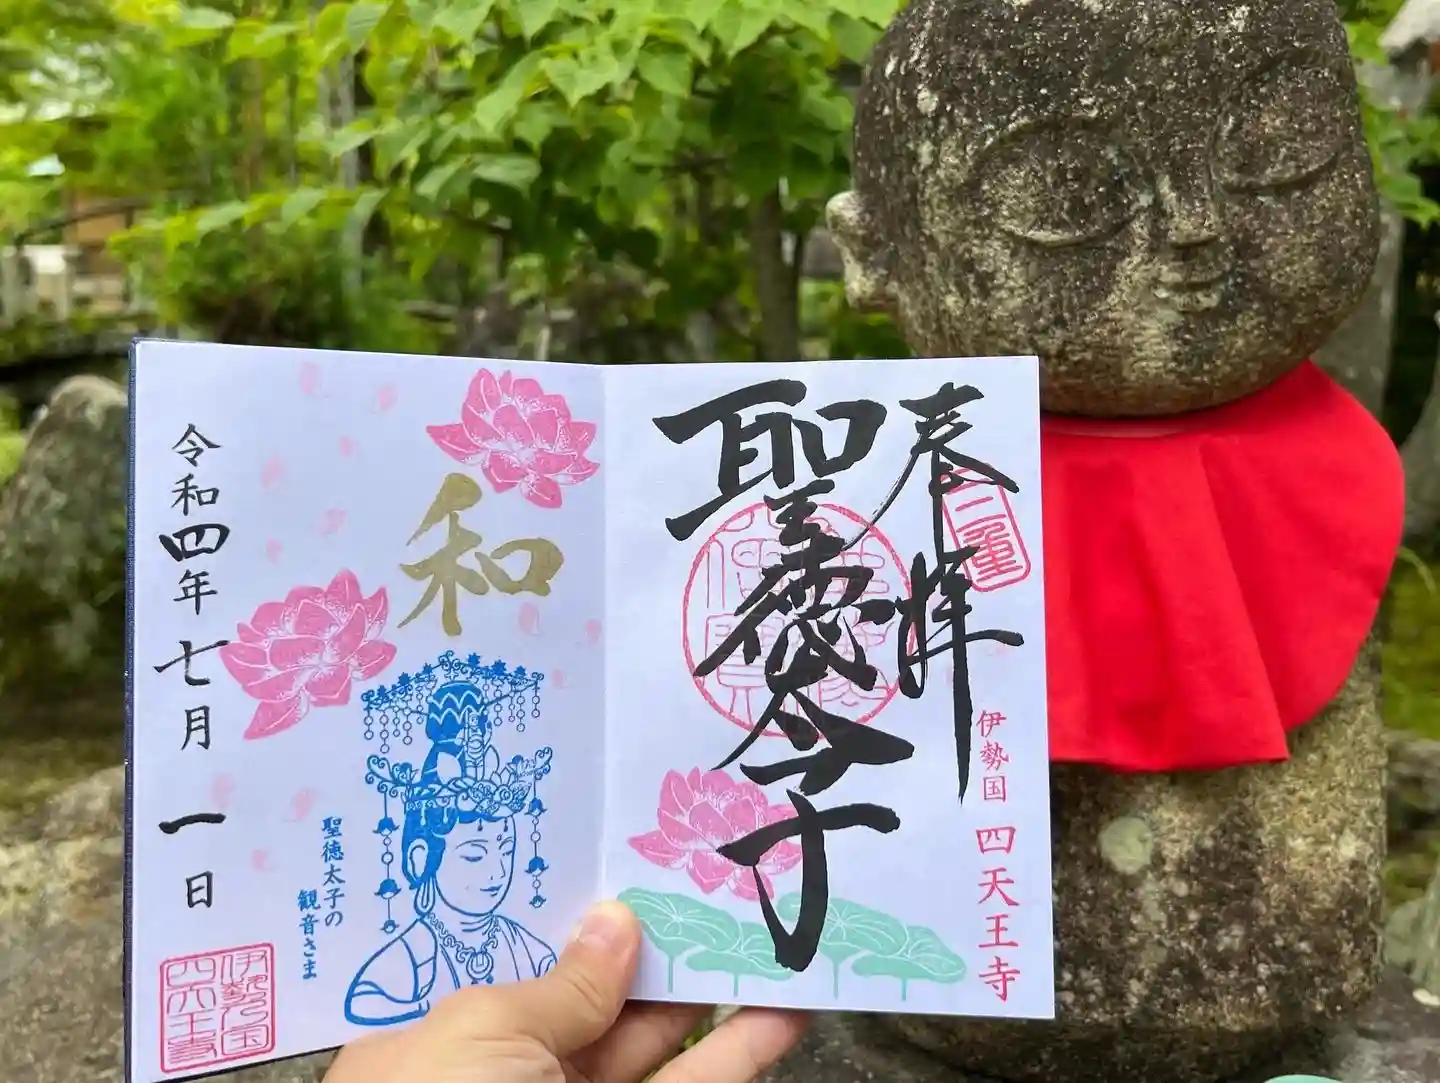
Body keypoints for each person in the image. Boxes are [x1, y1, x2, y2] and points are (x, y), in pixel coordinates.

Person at [326, 899, 809, 1083]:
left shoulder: (521, 939)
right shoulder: (396, 966)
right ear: (420, 858)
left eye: (505, 846)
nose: (495, 868)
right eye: (474, 852)